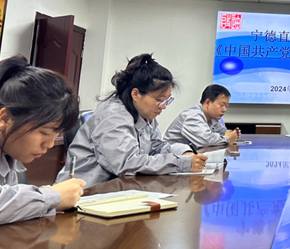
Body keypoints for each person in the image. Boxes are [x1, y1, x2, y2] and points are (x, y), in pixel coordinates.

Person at [57, 54, 207, 187]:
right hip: (87, 193)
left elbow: (156, 147)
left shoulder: (145, 115)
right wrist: (181, 163)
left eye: (167, 100)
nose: (163, 106)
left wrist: (185, 153)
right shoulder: (113, 117)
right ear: (136, 94)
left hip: (119, 189)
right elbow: (127, 164)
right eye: (159, 100)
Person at [0, 55, 85, 227]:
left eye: (56, 134)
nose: (50, 144)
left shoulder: (6, 150)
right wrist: (52, 197)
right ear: (5, 118)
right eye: (44, 132)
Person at [165, 84, 240, 149]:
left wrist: (233, 134)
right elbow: (206, 141)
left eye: (226, 106)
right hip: (172, 156)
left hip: (188, 156)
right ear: (208, 102)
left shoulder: (212, 118)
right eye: (222, 105)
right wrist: (227, 138)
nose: (224, 110)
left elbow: (223, 132)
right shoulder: (193, 115)